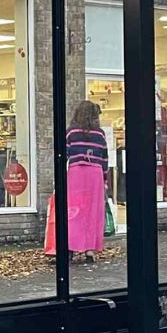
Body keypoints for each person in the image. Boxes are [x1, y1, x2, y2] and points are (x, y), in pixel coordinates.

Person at [66, 101, 109, 263]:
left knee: (74, 210)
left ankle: (71, 246)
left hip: (76, 173)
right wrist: (105, 179)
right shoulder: (100, 134)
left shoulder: (71, 132)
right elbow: (104, 158)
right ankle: (90, 249)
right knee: (93, 212)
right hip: (95, 174)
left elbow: (64, 154)